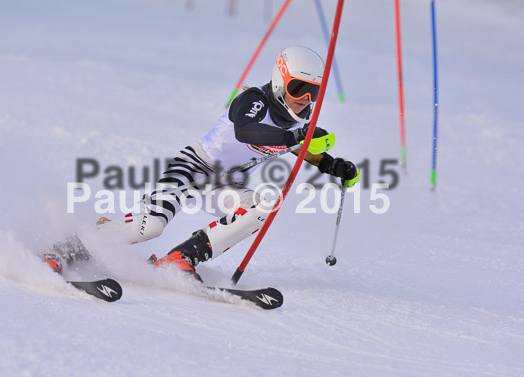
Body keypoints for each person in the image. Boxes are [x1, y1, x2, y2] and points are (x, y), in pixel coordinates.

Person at [44, 46, 359, 281]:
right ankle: (64, 250)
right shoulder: (253, 101)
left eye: (313, 93)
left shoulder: (297, 120)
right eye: (298, 89)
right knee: (151, 225)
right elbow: (246, 130)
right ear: (280, 81)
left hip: (224, 185)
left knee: (261, 207)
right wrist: (297, 136)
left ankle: (181, 258)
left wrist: (332, 166)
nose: (304, 100)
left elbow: (301, 147)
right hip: (193, 168)